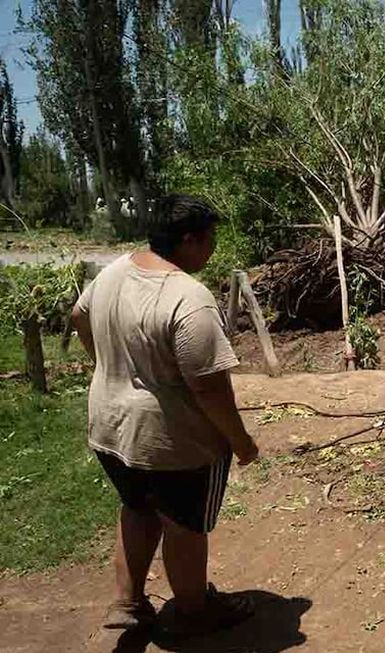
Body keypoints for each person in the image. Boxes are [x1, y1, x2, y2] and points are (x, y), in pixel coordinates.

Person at [71, 194, 259, 636]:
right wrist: (240, 441)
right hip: (173, 442)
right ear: (189, 241)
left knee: (137, 508)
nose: (212, 250)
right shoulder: (189, 297)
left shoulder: (115, 271)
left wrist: (108, 367)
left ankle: (129, 602)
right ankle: (195, 612)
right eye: (210, 240)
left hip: (109, 428)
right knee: (184, 526)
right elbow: (208, 386)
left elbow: (79, 316)